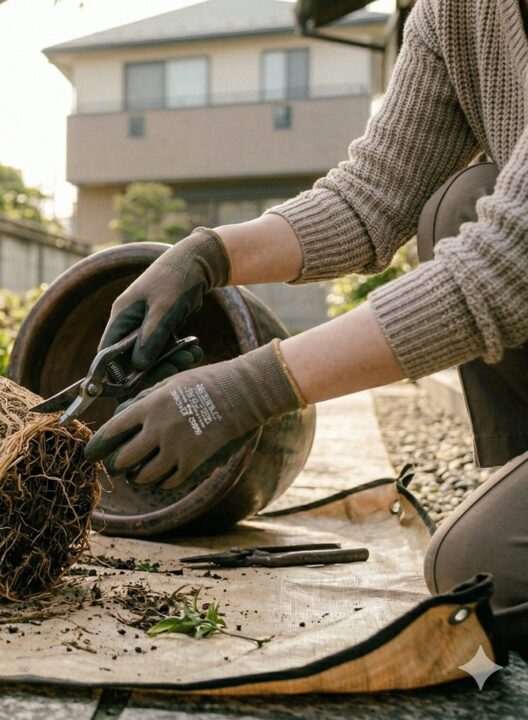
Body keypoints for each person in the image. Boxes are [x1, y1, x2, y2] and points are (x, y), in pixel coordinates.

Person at [85, 0, 528, 654]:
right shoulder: (454, 11)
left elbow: (506, 267)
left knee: (478, 577)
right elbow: (373, 195)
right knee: (458, 206)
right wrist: (209, 254)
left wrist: (242, 391)